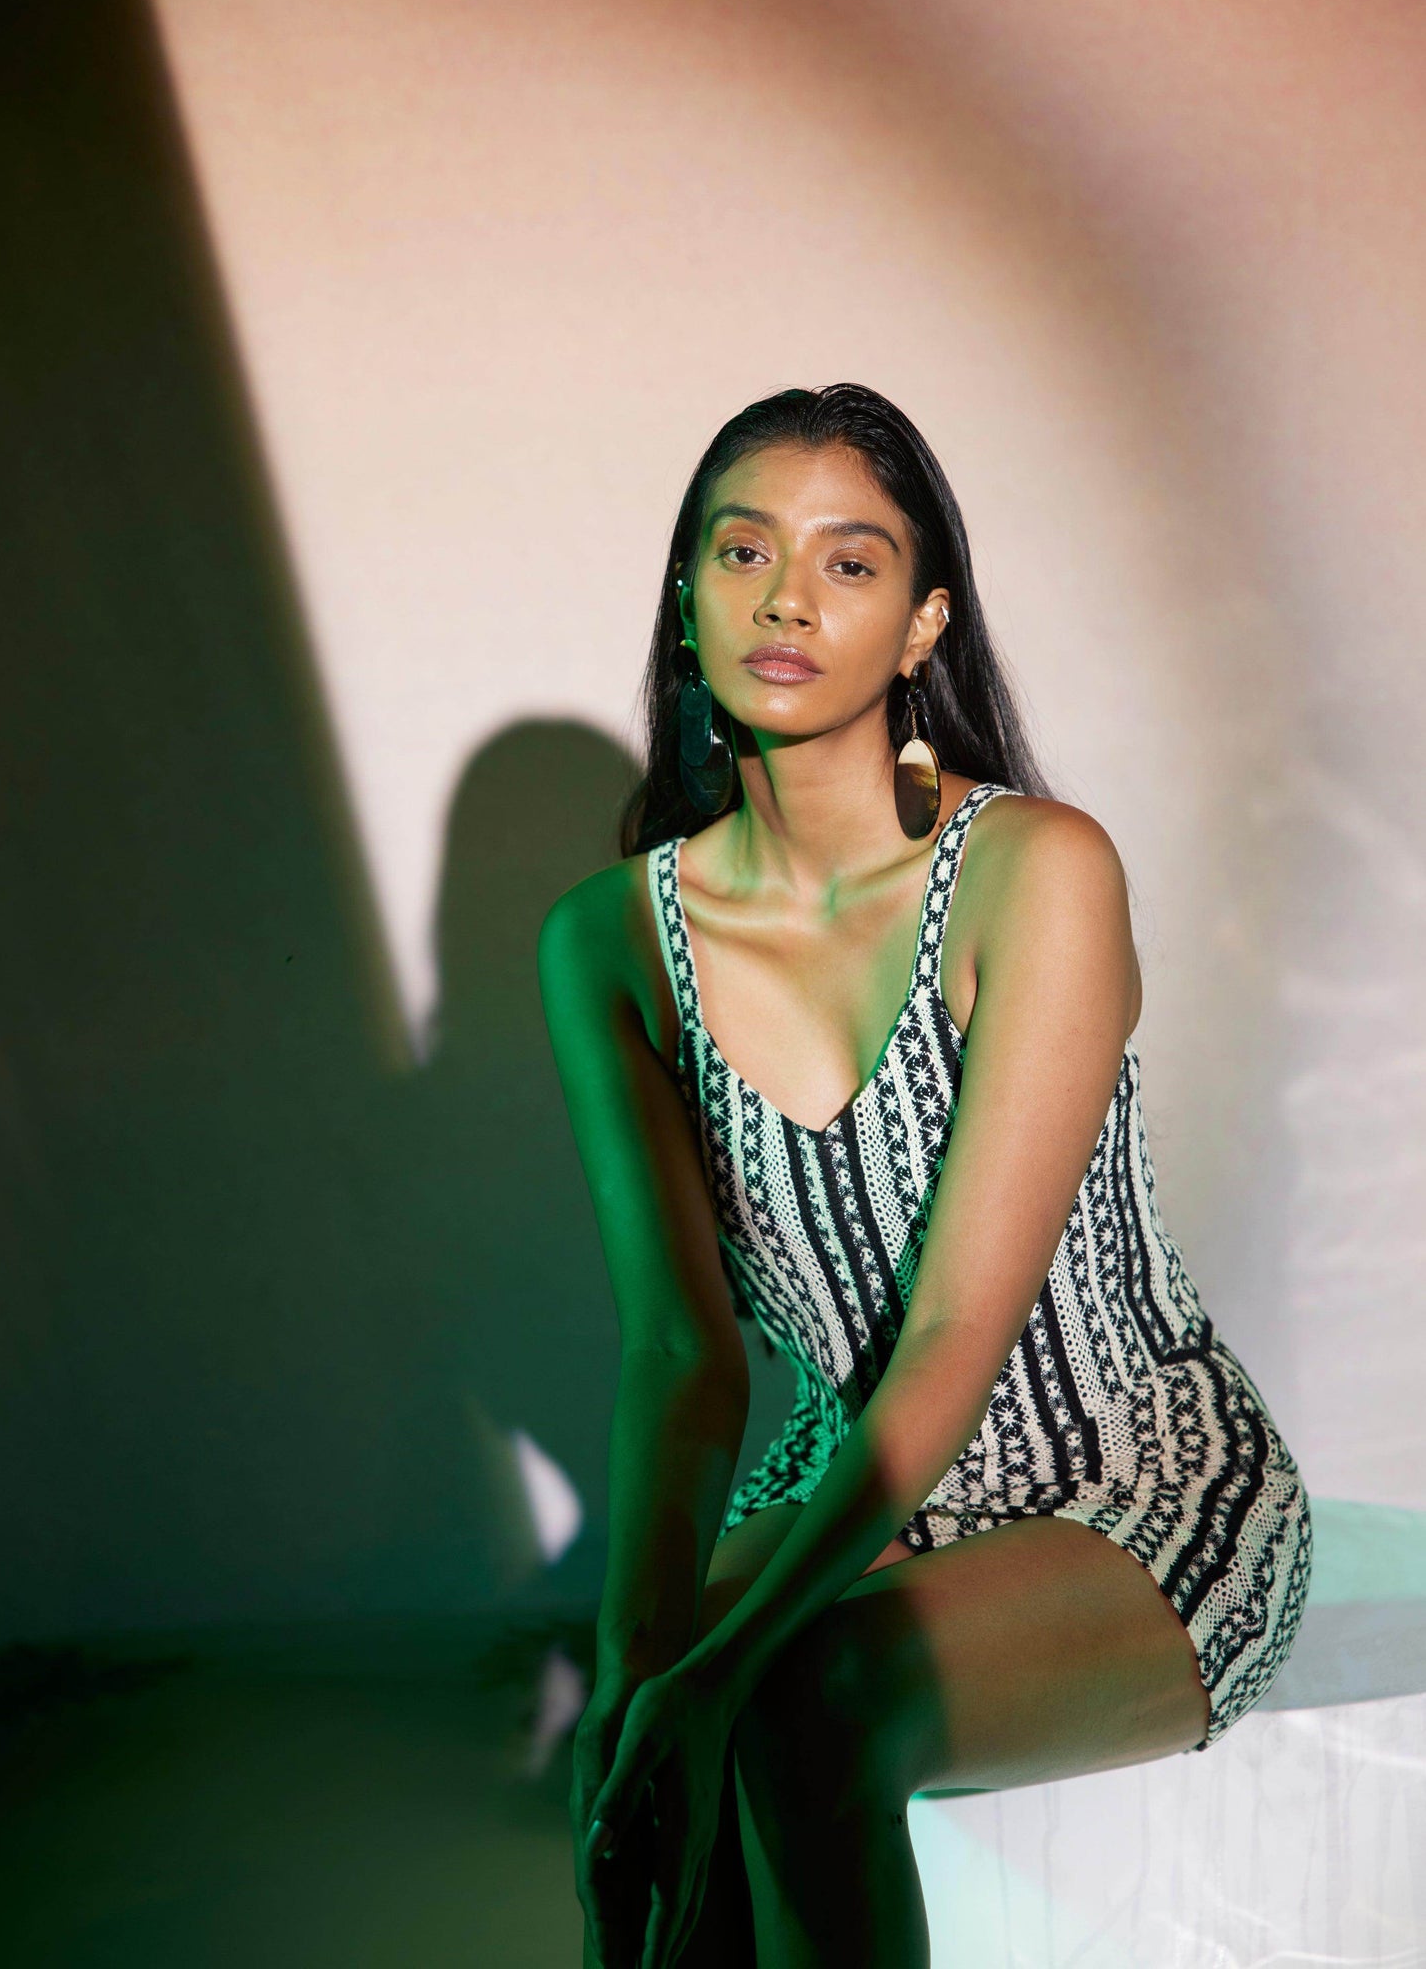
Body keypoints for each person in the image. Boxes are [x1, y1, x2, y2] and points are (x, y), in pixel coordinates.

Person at [538, 383, 1312, 1969]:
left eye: (848, 562)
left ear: (920, 626)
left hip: (1134, 1484)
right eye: (742, 551)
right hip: (843, 1485)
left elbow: (959, 1325)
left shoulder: (1035, 871)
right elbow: (681, 1355)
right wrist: (631, 1672)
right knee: (643, 1768)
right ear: (685, 599)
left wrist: (710, 1674)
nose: (785, 599)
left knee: (792, 1711)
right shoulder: (608, 941)